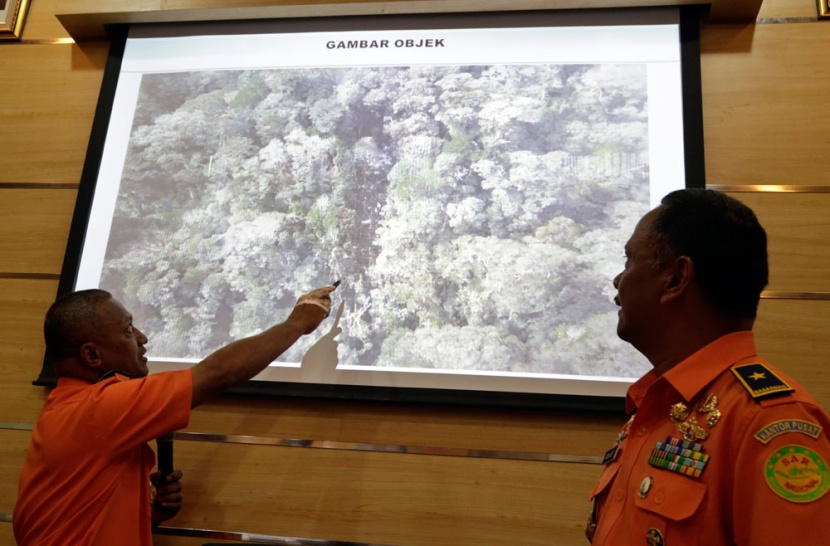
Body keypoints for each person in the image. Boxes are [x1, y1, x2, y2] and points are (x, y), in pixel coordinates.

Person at [586, 188, 830, 545]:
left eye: (629, 261)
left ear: (675, 278)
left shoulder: (769, 422)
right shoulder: (659, 403)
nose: (618, 281)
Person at [13, 285, 336, 546]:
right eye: (128, 330)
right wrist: (297, 323)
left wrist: (148, 515)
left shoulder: (69, 408)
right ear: (92, 355)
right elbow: (219, 373)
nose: (142, 338)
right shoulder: (97, 409)